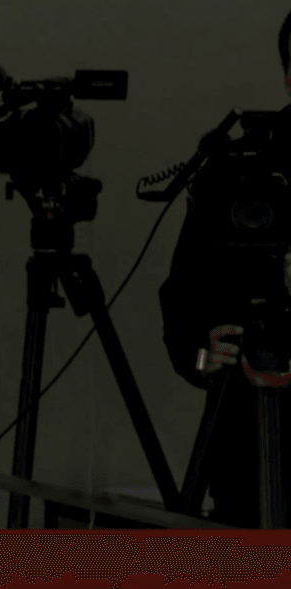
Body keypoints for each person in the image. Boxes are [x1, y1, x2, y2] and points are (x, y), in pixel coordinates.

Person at [158, 11, 291, 531]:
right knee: (251, 568)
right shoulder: (236, 169)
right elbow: (182, 296)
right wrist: (201, 353)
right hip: (245, 438)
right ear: (288, 75)